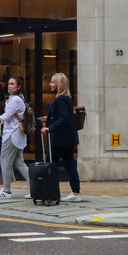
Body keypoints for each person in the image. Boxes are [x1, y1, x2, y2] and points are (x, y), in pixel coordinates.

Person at [41, 72, 81, 202]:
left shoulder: (60, 99)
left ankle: (46, 192)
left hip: (60, 139)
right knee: (70, 164)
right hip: (68, 138)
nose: (51, 84)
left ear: (59, 85)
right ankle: (76, 193)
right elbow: (63, 116)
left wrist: (49, 128)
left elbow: (64, 117)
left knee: (49, 164)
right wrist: (50, 119)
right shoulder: (66, 98)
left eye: (53, 82)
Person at [0, 76, 30, 199]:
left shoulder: (15, 100)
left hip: (12, 134)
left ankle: (6, 191)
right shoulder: (18, 98)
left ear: (18, 87)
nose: (9, 86)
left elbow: (7, 116)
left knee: (5, 161)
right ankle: (36, 187)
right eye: (8, 84)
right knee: (19, 162)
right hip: (16, 134)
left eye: (12, 84)